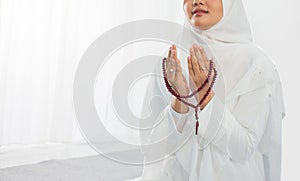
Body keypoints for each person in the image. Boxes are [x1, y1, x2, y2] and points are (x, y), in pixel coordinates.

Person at [128, 0, 285, 180]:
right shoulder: (173, 59)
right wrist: (179, 99)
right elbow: (152, 146)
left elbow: (243, 148)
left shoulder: (256, 66)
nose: (197, 1)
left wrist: (205, 95)